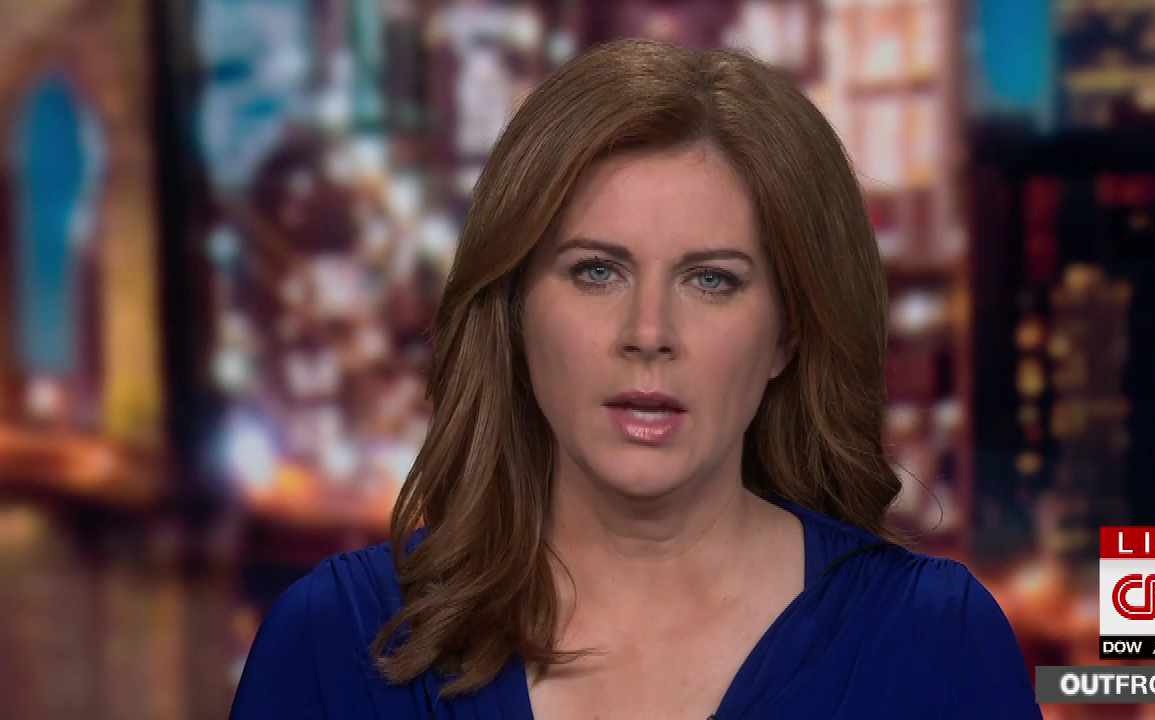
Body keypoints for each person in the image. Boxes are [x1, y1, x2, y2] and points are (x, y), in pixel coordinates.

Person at [231, 38, 1043, 719]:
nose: (649, 333)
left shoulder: (938, 643)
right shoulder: (333, 643)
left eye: (712, 280)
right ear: (515, 310)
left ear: (787, 334)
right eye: (596, 272)